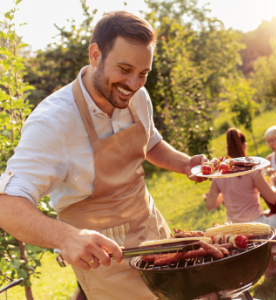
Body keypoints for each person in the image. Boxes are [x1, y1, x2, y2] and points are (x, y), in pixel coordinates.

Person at [0, 11, 207, 300]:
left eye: (143, 74)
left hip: (153, 233)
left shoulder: (137, 97)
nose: (134, 84)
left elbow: (151, 142)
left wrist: (185, 164)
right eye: (124, 69)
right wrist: (66, 237)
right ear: (95, 54)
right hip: (105, 260)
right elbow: (7, 205)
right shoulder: (53, 123)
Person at [205, 127, 276, 278]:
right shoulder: (251, 170)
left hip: (234, 232)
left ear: (227, 148)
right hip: (256, 228)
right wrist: (273, 181)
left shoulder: (219, 175)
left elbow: (210, 204)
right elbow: (273, 198)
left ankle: (271, 267)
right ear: (244, 145)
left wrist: (226, 193)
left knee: (271, 215)